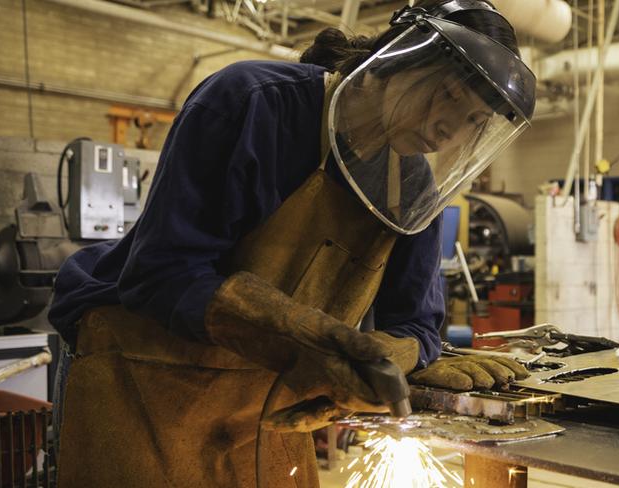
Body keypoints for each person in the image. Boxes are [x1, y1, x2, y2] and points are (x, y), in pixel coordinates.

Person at [49, 0, 535, 486]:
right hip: (144, 381)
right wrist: (291, 329)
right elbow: (160, 274)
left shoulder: (409, 188)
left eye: (474, 120)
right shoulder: (253, 103)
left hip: (272, 402)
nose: (451, 126)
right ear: (401, 59)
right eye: (448, 94)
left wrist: (396, 355)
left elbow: (418, 324)